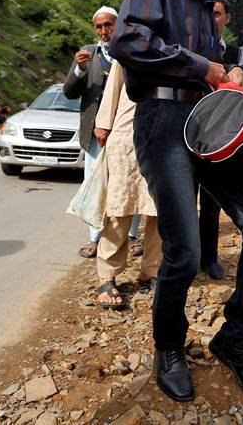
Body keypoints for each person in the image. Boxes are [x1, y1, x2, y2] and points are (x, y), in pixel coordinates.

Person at [110, 0, 243, 404]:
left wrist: (229, 75)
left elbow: (212, 69)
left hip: (210, 123)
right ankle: (169, 347)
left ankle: (235, 339)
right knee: (183, 251)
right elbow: (128, 43)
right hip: (162, 118)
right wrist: (201, 66)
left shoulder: (209, 10)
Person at [92, 58, 163, 308]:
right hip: (126, 132)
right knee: (119, 206)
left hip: (165, 132)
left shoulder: (180, 38)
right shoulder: (133, 40)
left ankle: (151, 270)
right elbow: (114, 83)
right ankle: (107, 275)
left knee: (160, 210)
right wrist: (103, 124)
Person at [64, 6, 116, 259]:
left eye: (109, 24)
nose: (104, 31)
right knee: (94, 185)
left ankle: (131, 236)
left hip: (126, 132)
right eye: (99, 26)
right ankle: (94, 239)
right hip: (95, 134)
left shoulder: (130, 53)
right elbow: (70, 92)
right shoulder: (88, 55)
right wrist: (79, 71)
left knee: (128, 182)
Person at [197, 0, 243, 280]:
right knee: (184, 199)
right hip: (190, 127)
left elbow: (242, 90)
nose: (212, 19)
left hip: (219, 133)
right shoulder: (192, 46)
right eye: (208, 13)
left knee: (212, 201)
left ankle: (209, 258)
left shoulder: (235, 54)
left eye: (217, 14)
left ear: (226, 18)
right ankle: (183, 257)